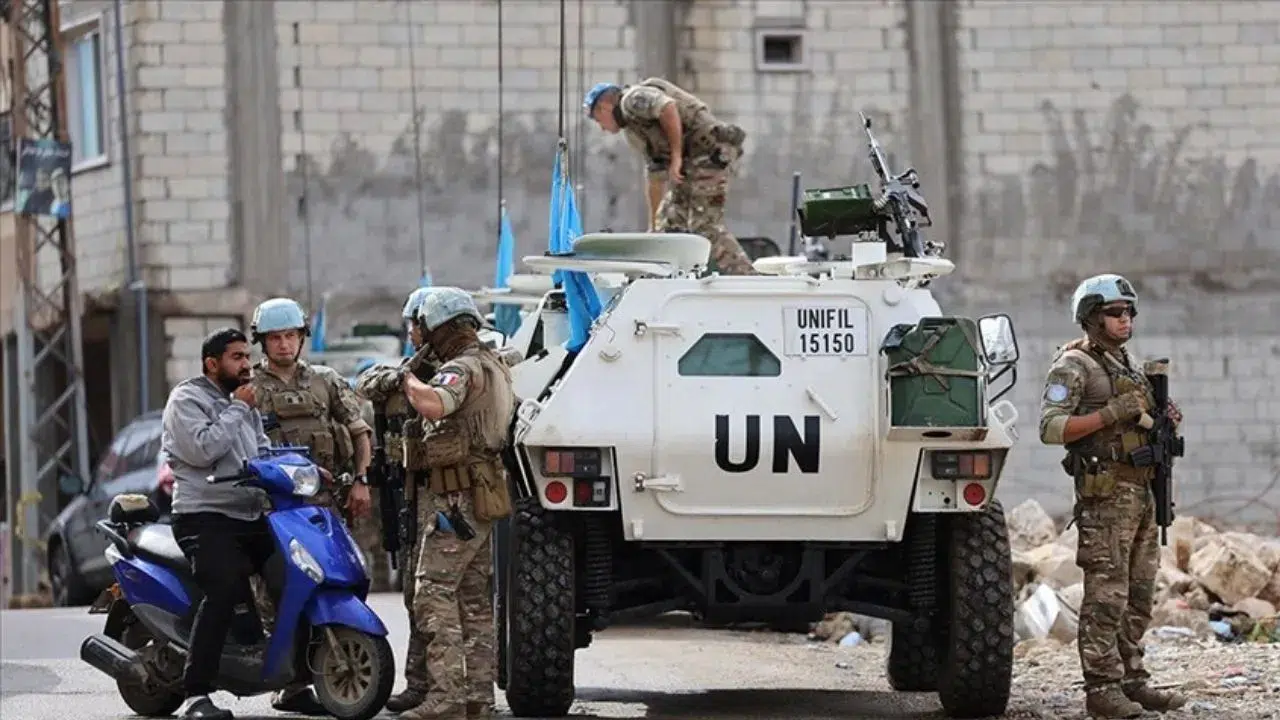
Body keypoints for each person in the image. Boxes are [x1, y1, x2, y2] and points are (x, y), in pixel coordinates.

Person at [1039, 274, 1186, 719]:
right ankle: (1102, 688)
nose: (1126, 319)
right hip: (1105, 497)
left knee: (1140, 594)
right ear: (1090, 317)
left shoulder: (1128, 364)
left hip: (1141, 491)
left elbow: (1141, 420)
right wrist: (1109, 414)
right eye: (1114, 312)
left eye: (1129, 312)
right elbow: (1051, 427)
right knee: (1107, 596)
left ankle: (1131, 680)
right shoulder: (1074, 365)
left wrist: (1163, 418)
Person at [246, 297, 373, 714]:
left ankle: (328, 668)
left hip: (324, 508)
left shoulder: (326, 381)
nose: (283, 344)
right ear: (262, 342)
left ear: (302, 338)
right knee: (275, 595)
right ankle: (289, 681)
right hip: (271, 511)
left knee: (338, 583)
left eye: (290, 336)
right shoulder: (249, 388)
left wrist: (361, 481)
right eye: (275, 338)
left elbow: (359, 433)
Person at [399, 288, 516, 720]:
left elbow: (433, 404)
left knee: (432, 590)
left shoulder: (461, 368)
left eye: (420, 326)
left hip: (458, 498)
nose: (417, 334)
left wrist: (408, 379)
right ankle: (477, 701)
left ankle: (446, 698)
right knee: (472, 599)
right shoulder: (493, 364)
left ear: (437, 327)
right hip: (483, 493)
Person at [164, 327, 272, 720]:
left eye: (247, 356)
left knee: (295, 570)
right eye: (237, 357)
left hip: (248, 513)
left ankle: (293, 680)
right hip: (203, 516)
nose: (246, 365)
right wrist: (239, 408)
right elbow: (203, 449)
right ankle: (196, 694)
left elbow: (262, 451)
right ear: (212, 363)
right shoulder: (187, 399)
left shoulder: (243, 401)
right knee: (223, 588)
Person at [355, 286, 440, 713]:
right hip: (406, 496)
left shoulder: (452, 372)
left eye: (414, 325)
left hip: (443, 497)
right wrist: (400, 378)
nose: (410, 333)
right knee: (415, 596)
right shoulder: (408, 372)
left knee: (439, 599)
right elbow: (367, 383)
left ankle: (448, 689)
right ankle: (419, 684)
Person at [583, 78, 757, 276]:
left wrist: (676, 157)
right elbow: (655, 176)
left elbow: (668, 107)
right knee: (668, 224)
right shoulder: (634, 131)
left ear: (604, 107)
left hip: (709, 152)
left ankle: (747, 277)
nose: (602, 128)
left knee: (704, 225)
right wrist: (653, 226)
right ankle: (667, 278)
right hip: (690, 162)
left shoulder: (633, 99)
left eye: (598, 120)